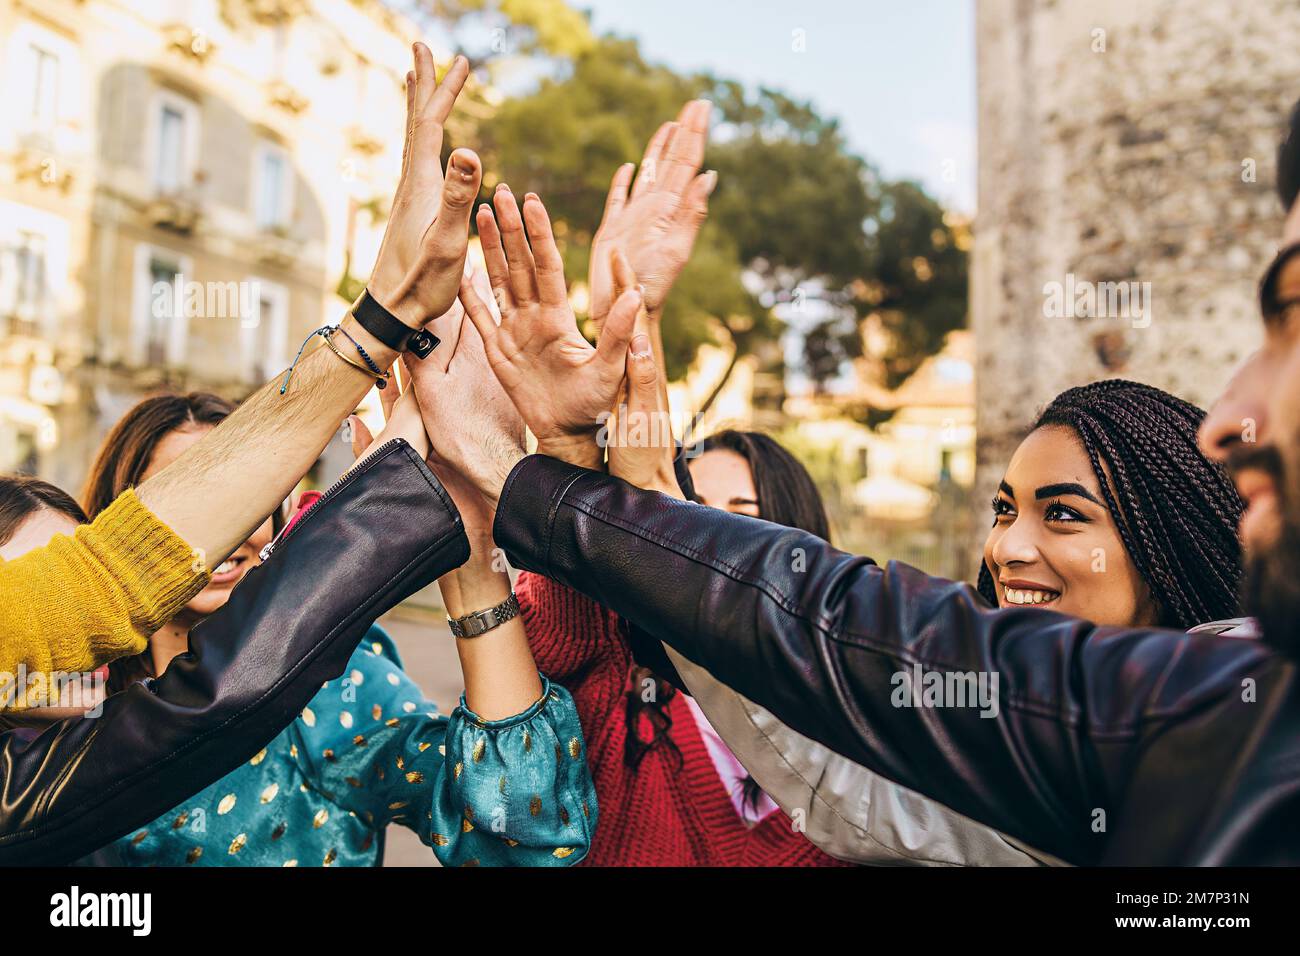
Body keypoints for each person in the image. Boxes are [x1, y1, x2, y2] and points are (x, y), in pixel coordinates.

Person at [426, 100, 1300, 862]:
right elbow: (833, 761)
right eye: (1003, 509)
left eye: (1065, 514)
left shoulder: (1228, 707)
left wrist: (527, 480)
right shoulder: (1012, 798)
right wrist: (618, 359)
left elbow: (839, 634)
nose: (1008, 547)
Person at [0, 42, 481, 703]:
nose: (227, 529)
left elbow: (100, 585)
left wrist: (387, 314)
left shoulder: (344, 688)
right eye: (181, 493)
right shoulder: (87, 718)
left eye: (238, 499)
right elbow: (110, 587)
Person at [59, 386, 595, 867]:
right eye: (182, 502)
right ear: (115, 524)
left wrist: (474, 568)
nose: (217, 533)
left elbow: (525, 842)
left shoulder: (329, 692)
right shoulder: (62, 697)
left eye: (238, 497)